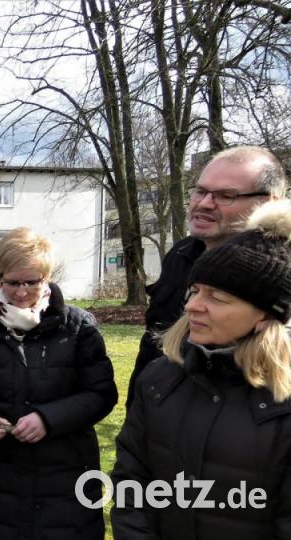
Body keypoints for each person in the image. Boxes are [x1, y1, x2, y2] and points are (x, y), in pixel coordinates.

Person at [112, 200, 291, 539]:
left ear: (266, 315)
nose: (193, 305)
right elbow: (131, 483)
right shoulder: (158, 380)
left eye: (218, 297)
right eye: (194, 291)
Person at [0, 227, 118, 539]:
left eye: (31, 282)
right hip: (3, 481)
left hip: (66, 479)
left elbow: (102, 394)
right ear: (0, 277)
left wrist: (48, 419)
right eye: (12, 282)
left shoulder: (78, 327)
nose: (20, 292)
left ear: (46, 277)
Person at [127, 146, 287, 404]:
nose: (203, 204)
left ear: (268, 203)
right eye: (200, 191)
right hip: (160, 418)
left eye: (226, 195)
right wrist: (140, 409)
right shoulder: (180, 255)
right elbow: (153, 344)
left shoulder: (283, 276)